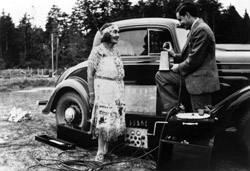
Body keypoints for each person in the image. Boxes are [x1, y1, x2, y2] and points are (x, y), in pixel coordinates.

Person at [155, 2, 220, 113]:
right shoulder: (196, 29)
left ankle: (177, 110)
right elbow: (189, 56)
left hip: (200, 81)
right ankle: (175, 109)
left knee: (201, 118)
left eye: (180, 19)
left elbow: (194, 59)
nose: (180, 23)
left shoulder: (201, 30)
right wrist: (173, 54)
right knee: (162, 76)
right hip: (194, 77)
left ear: (188, 15)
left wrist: (178, 67)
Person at [87, 23, 126, 162]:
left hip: (116, 89)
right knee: (103, 118)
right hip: (103, 88)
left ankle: (106, 150)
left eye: (118, 31)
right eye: (114, 32)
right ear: (106, 34)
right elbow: (90, 74)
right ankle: (99, 151)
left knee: (113, 119)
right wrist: (91, 95)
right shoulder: (97, 51)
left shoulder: (116, 51)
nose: (117, 34)